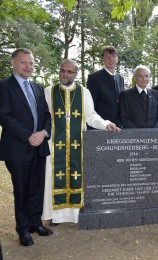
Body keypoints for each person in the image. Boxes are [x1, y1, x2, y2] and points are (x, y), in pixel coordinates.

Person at [42, 59, 120, 225]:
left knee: (77, 175)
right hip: (55, 145)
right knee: (54, 177)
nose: (65, 74)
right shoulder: (48, 91)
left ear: (76, 74)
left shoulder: (84, 92)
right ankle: (56, 216)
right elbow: (44, 117)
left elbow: (91, 116)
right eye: (62, 70)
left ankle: (75, 214)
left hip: (78, 144)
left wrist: (106, 124)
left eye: (69, 71)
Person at [0, 48, 53, 246]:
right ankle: (22, 229)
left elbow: (47, 115)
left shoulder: (38, 88)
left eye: (31, 63)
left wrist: (44, 133)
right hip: (17, 148)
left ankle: (35, 223)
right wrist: (28, 136)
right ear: (13, 62)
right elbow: (4, 116)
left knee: (36, 188)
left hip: (39, 146)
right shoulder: (4, 86)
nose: (28, 67)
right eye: (23, 62)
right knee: (21, 191)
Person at [87, 46, 124, 128]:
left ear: (117, 59)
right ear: (103, 59)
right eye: (107, 57)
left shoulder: (120, 78)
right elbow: (91, 106)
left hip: (118, 127)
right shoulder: (94, 78)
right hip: (101, 126)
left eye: (113, 56)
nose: (110, 59)